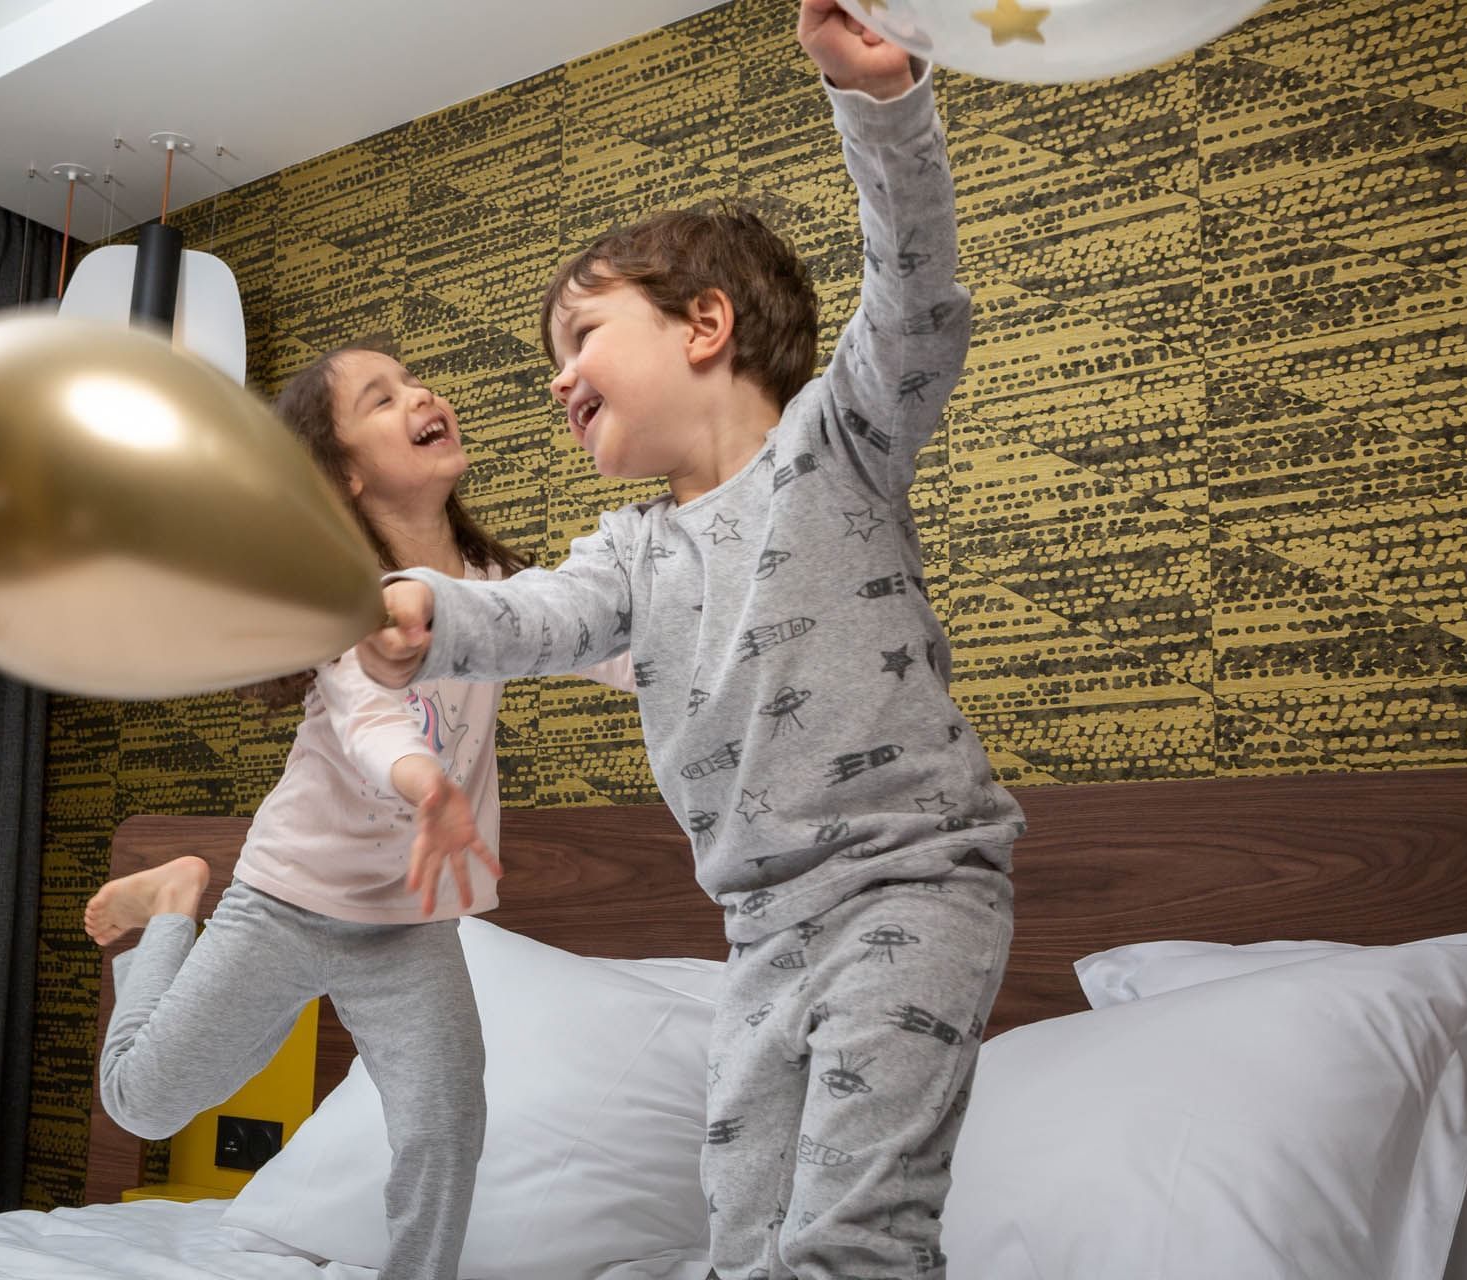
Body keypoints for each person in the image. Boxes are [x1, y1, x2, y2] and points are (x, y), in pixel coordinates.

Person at [357, 4, 1021, 1275]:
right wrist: (423, 614)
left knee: (850, 1235)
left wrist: (881, 107)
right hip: (760, 927)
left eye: (581, 339)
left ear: (704, 327)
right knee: (743, 1231)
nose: (556, 380)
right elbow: (537, 614)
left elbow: (918, 296)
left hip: (910, 881)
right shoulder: (630, 550)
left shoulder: (840, 446)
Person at [86, 345, 626, 1280]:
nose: (423, 393)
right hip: (288, 900)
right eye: (384, 398)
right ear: (346, 474)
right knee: (141, 1103)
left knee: (447, 1125)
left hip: (406, 929)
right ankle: (175, 903)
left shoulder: (495, 583)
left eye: (417, 379)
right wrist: (429, 789)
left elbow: (607, 648)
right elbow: (372, 719)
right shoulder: (349, 602)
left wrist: (703, 662)